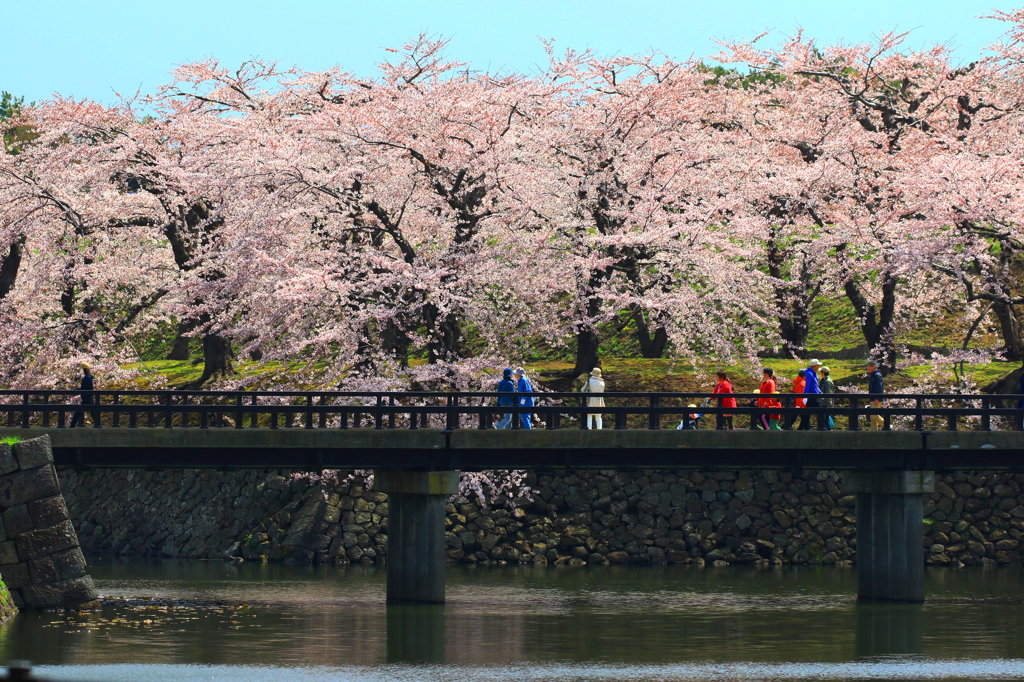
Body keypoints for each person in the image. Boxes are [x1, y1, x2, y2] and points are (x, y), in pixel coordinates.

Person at [69, 363, 95, 428]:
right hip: (87, 398)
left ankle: (72, 425)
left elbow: (84, 388)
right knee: (89, 412)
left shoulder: (87, 378)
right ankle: (72, 425)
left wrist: (75, 391)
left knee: (81, 412)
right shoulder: (88, 377)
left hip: (87, 398)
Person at [800, 359, 823, 431]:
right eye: (818, 365)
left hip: (813, 395)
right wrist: (805, 396)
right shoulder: (809, 373)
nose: (819, 366)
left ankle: (803, 428)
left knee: (806, 414)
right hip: (811, 396)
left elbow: (815, 386)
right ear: (814, 366)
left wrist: (820, 393)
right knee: (821, 411)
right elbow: (807, 385)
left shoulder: (813, 373)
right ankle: (822, 427)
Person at [866, 360, 884, 430]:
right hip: (872, 398)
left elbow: (878, 388)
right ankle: (874, 432)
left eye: (868, 366)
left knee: (874, 415)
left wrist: (877, 398)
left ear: (873, 367)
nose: (867, 368)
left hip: (876, 399)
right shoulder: (873, 375)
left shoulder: (876, 376)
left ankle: (886, 424)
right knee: (872, 417)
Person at [820, 366, 836, 430]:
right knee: (824, 419)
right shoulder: (824, 380)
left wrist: (829, 405)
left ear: (823, 373)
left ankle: (829, 431)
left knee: (825, 419)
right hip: (824, 402)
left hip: (825, 403)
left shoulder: (827, 382)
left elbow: (828, 393)